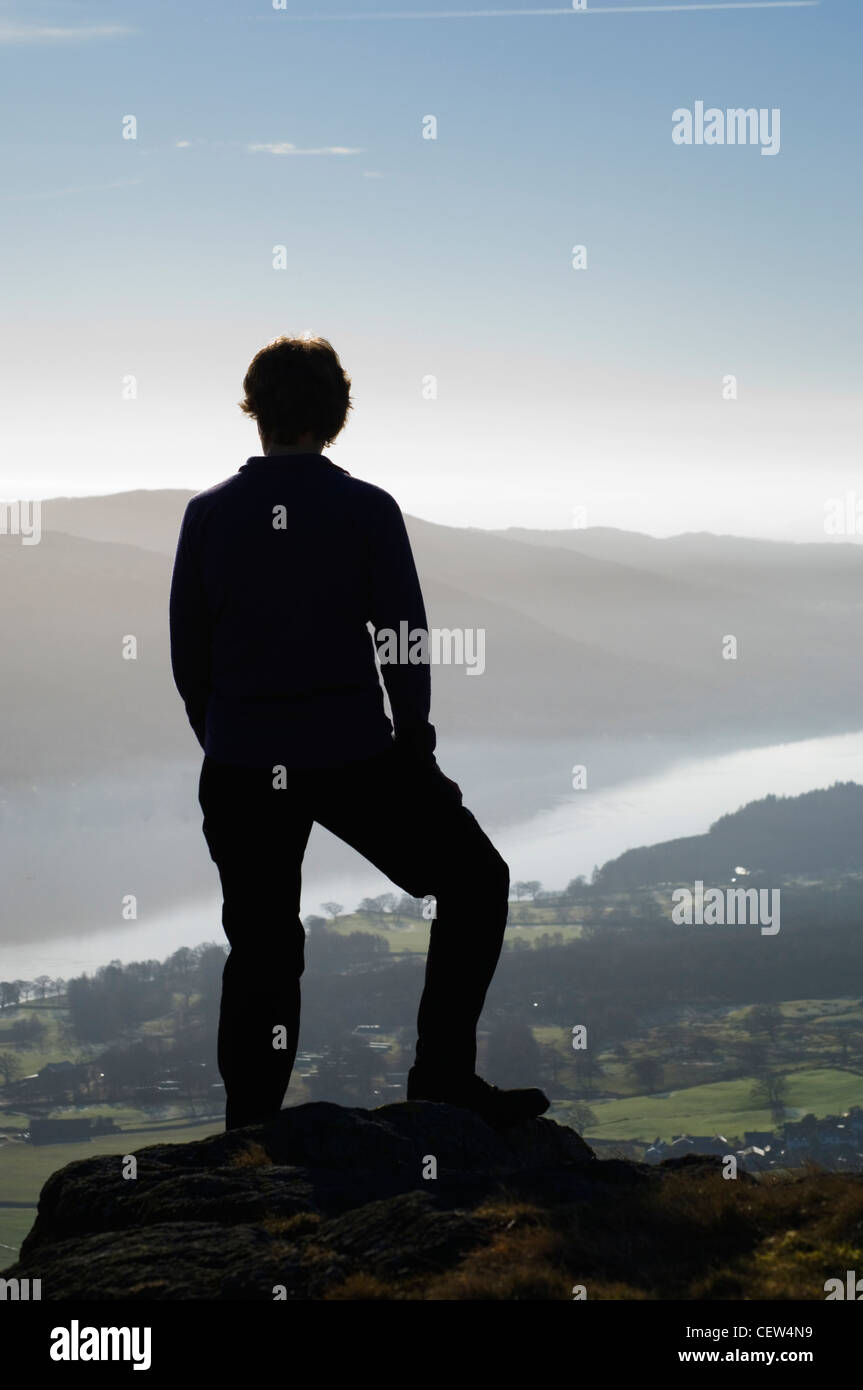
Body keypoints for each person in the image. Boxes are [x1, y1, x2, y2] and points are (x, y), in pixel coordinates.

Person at [169, 335, 549, 1130]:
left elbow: (188, 655)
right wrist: (416, 745)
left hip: (241, 763)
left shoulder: (207, 515)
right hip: (350, 751)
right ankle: (442, 1077)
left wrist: (228, 736)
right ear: (336, 415)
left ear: (255, 411)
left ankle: (250, 1131)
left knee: (264, 950)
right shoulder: (365, 509)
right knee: (475, 881)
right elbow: (402, 639)